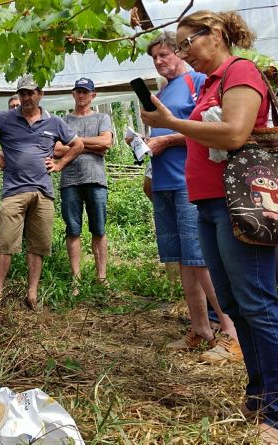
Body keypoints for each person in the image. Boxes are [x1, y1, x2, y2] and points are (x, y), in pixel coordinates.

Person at [140, 10, 278, 442]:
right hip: (210, 204)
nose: (183, 54)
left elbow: (235, 133)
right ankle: (259, 395)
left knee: (257, 302)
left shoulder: (241, 71)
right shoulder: (213, 82)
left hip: (238, 204)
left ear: (215, 33)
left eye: (186, 44)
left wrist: (170, 124)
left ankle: (275, 411)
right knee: (236, 306)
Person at [141, 31, 241, 363]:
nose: (159, 61)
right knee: (183, 259)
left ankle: (231, 333)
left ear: (181, 53)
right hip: (166, 183)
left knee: (201, 259)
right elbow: (166, 132)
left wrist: (167, 140)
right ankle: (200, 330)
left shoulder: (197, 81)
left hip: (190, 182)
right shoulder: (163, 91)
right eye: (154, 57)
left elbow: (208, 128)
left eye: (165, 54)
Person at [0, 74, 83, 309]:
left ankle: (32, 293)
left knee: (38, 244)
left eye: (31, 93)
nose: (27, 97)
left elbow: (78, 145)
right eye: (23, 93)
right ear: (18, 96)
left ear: (40, 94)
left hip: (43, 192)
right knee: (5, 242)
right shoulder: (5, 118)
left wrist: (60, 165)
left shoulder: (54, 122)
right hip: (14, 190)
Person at [59, 78, 113, 295]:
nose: (81, 95)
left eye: (85, 92)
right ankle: (76, 280)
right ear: (73, 94)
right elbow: (55, 149)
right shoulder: (63, 121)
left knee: (98, 229)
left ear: (93, 95)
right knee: (73, 230)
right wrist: (92, 144)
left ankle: (102, 277)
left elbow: (106, 143)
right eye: (78, 91)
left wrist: (74, 143)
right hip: (69, 180)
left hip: (96, 180)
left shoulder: (102, 117)